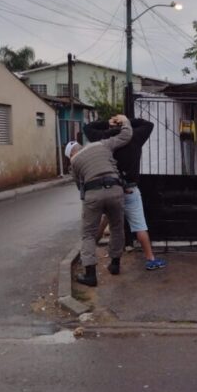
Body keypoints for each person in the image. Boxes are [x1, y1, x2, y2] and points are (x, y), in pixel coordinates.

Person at [83, 116, 166, 272]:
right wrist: (126, 120)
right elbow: (149, 124)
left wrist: (108, 122)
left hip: (111, 188)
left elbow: (87, 128)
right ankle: (150, 259)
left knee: (112, 222)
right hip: (130, 188)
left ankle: (101, 251)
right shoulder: (135, 136)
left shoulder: (104, 138)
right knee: (139, 225)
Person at [67, 114, 133, 287]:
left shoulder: (74, 163)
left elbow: (79, 187)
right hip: (115, 189)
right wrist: (125, 121)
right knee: (117, 227)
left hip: (93, 194)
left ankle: (90, 275)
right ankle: (115, 265)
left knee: (88, 234)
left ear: (71, 155)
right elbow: (126, 136)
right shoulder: (102, 144)